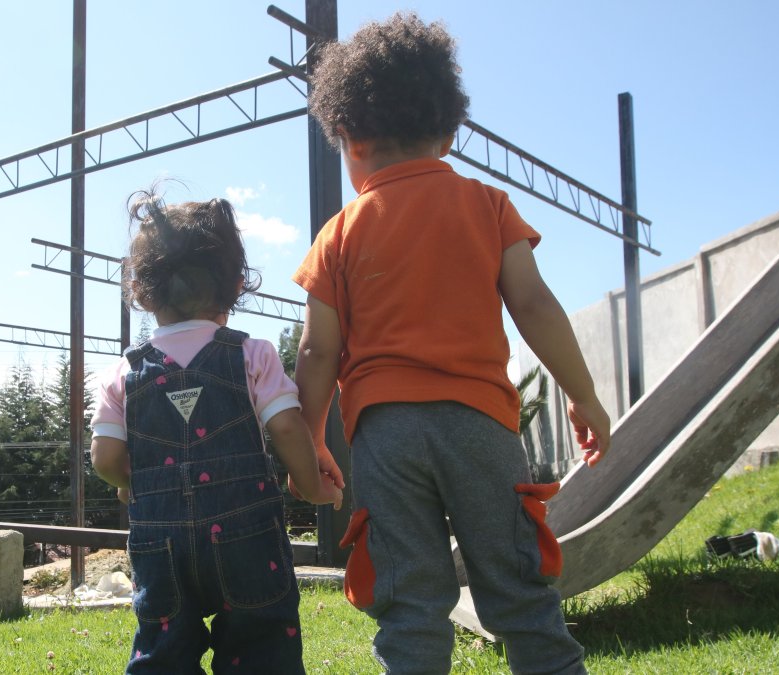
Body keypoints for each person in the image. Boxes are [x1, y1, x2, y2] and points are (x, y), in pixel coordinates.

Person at [291, 12, 612, 675]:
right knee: (520, 591)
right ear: (447, 130)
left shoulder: (339, 233)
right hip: (481, 427)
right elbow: (533, 303)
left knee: (408, 604)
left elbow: (318, 352)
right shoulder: (487, 205)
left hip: (384, 438)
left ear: (348, 138)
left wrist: (315, 438)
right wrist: (581, 395)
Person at [90, 189, 344, 674]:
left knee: (163, 649)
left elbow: (104, 457)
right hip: (247, 538)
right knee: (262, 644)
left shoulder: (122, 373)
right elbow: (288, 428)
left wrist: (132, 481)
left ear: (142, 291)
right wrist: (311, 485)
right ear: (234, 286)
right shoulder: (253, 355)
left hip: (160, 546)